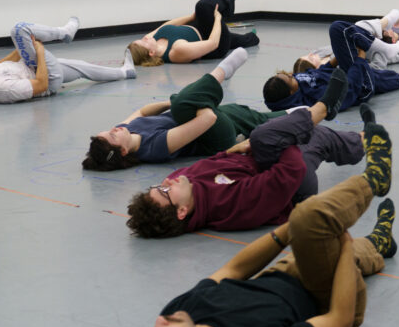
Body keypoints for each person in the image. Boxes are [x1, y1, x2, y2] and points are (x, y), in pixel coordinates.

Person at [115, 121, 395, 327]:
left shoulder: (181, 313)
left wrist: (285, 232)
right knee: (311, 220)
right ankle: (374, 180)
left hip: (283, 278)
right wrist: (342, 245)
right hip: (330, 303)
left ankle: (379, 243)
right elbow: (340, 319)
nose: (161, 322)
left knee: (304, 240)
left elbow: (234, 270)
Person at [125, 100, 376, 238]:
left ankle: (364, 138)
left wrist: (237, 149)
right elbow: (288, 174)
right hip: (293, 193)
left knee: (292, 135)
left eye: (157, 186)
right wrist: (285, 140)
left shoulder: (180, 181)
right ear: (181, 212)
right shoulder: (228, 207)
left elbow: (217, 161)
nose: (166, 182)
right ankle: (323, 108)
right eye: (164, 191)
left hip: (262, 162)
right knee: (291, 138)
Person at [83, 50, 349, 170]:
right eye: (113, 135)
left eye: (109, 130)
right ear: (123, 151)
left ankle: (315, 110)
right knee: (184, 104)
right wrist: (188, 103)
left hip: (213, 117)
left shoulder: (126, 128)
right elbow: (208, 118)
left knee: (256, 119)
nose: (115, 129)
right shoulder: (154, 149)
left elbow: (142, 111)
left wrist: (171, 103)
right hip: (213, 136)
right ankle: (223, 70)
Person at [0, 19, 135, 108]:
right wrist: (38, 52)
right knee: (19, 30)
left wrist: (23, 49)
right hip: (47, 78)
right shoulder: (1, 91)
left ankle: (125, 72)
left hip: (33, 65)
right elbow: (41, 85)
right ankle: (64, 33)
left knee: (81, 67)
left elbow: (2, 64)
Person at [264, 21, 399, 114]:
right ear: (290, 93)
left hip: (345, 73)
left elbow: (318, 73)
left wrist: (334, 61)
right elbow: (349, 91)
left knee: (339, 29)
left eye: (288, 75)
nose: (292, 75)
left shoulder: (297, 82)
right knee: (339, 30)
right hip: (360, 89)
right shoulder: (313, 99)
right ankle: (398, 62)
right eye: (290, 79)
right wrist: (360, 60)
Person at [127, 0, 259, 66]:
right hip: (216, 45)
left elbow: (167, 25)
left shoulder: (152, 40)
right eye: (144, 41)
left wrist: (191, 17)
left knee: (241, 40)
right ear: (151, 53)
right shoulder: (176, 51)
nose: (145, 37)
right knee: (203, 6)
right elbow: (212, 43)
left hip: (199, 27)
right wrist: (218, 19)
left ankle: (252, 37)